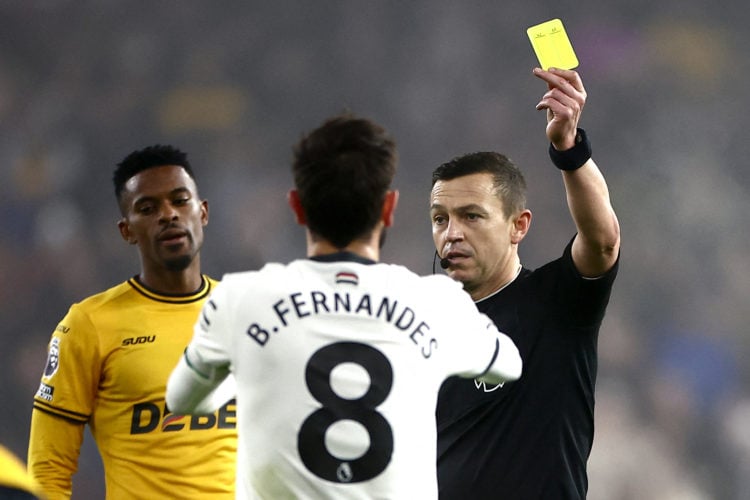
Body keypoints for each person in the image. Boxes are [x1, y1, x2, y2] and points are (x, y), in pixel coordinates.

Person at [165, 112, 523, 499]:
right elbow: (509, 365)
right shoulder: (436, 302)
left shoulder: (239, 300)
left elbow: (181, 399)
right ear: (388, 208)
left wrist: (253, 375)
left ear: (297, 207)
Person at [430, 67, 621, 499]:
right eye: (440, 219)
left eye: (471, 216)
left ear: (519, 226)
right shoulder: (420, 330)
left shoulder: (557, 303)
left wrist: (569, 149)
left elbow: (603, 242)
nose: (452, 233)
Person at [27, 145, 237, 499]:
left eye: (180, 200)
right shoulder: (89, 325)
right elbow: (49, 466)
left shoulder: (246, 313)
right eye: (148, 208)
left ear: (202, 213)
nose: (168, 215)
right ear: (127, 231)